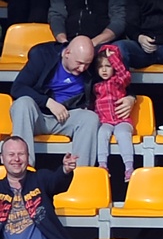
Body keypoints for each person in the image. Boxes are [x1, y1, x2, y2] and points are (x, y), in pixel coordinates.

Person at [10, 37, 110, 167]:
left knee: (90, 118)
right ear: (67, 53)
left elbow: (115, 78)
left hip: (66, 118)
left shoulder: (88, 65)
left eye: (86, 64)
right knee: (22, 103)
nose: (82, 68)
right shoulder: (43, 55)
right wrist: (48, 102)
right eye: (79, 63)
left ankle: (80, 174)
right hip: (37, 117)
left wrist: (130, 96)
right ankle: (22, 170)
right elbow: (17, 88)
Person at [93, 45, 135, 181]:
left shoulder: (118, 82)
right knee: (102, 133)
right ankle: (103, 164)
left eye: (108, 66)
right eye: (101, 66)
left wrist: (113, 57)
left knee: (122, 134)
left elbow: (125, 74)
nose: (104, 70)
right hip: (106, 121)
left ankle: (129, 167)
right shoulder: (96, 86)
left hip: (121, 120)